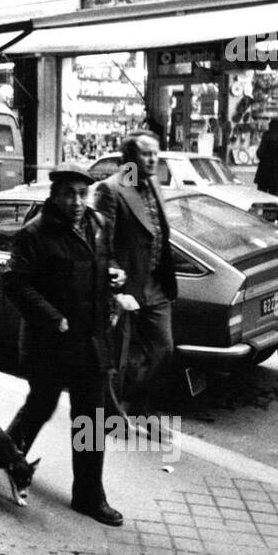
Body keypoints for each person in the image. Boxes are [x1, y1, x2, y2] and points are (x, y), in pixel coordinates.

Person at [3, 163, 128, 527]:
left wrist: (115, 278)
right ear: (54, 196)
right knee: (41, 405)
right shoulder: (34, 234)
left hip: (91, 341)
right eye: (69, 194)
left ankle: (89, 496)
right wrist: (52, 316)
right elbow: (14, 283)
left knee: (90, 418)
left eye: (82, 194)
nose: (77, 202)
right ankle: (6, 455)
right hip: (51, 342)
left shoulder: (98, 225)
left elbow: (104, 265)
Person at [92, 131, 178, 416]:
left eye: (156, 153)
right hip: (127, 288)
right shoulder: (111, 190)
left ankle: (140, 406)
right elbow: (103, 245)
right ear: (129, 158)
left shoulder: (154, 182)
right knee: (120, 357)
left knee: (163, 349)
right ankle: (113, 416)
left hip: (157, 283)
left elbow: (160, 233)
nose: (153, 159)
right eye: (146, 154)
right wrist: (115, 279)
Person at [253, 118, 278, 195]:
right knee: (273, 194)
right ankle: (272, 207)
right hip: (275, 169)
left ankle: (263, 207)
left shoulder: (266, 135)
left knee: (261, 194)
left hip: (263, 168)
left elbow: (259, 152)